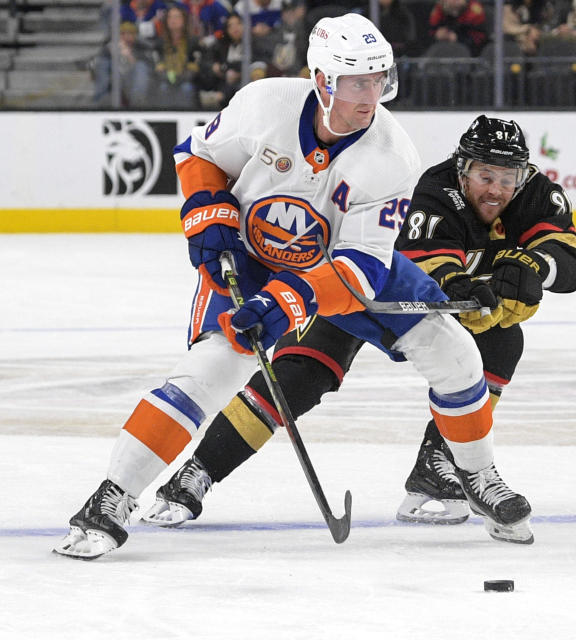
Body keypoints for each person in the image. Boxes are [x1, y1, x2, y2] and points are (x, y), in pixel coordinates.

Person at [54, 14, 531, 560]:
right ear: (322, 79)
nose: (369, 95)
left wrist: (291, 300)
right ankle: (113, 496)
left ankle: (476, 474)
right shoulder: (263, 106)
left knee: (454, 352)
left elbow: (360, 268)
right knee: (212, 369)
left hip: (341, 265)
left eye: (378, 80)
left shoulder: (392, 155)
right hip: (252, 258)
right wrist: (209, 217)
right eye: (356, 82)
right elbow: (198, 156)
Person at [140, 116, 576, 535]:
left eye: (508, 179)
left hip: (415, 314)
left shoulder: (536, 194)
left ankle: (438, 464)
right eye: (487, 176)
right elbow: (435, 279)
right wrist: (485, 289)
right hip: (354, 289)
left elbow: (570, 262)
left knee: (501, 340)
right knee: (298, 377)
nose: (497, 190)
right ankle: (198, 471)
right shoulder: (432, 192)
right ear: (463, 168)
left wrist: (532, 267)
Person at [92, 20, 155, 108]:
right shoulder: (109, 47)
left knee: (141, 66)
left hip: (134, 81)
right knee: (103, 64)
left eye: (130, 34)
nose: (126, 37)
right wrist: (114, 52)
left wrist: (130, 56)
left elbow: (149, 66)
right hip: (115, 80)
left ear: (135, 36)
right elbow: (99, 63)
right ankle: (100, 102)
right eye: (123, 34)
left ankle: (138, 103)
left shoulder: (142, 47)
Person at [152, 5, 204, 108]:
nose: (173, 20)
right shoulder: (159, 43)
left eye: (176, 17)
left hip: (186, 81)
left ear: (184, 20)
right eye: (170, 17)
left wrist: (180, 78)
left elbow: (195, 68)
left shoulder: (193, 42)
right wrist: (168, 77)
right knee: (163, 88)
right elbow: (157, 66)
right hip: (165, 81)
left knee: (187, 88)